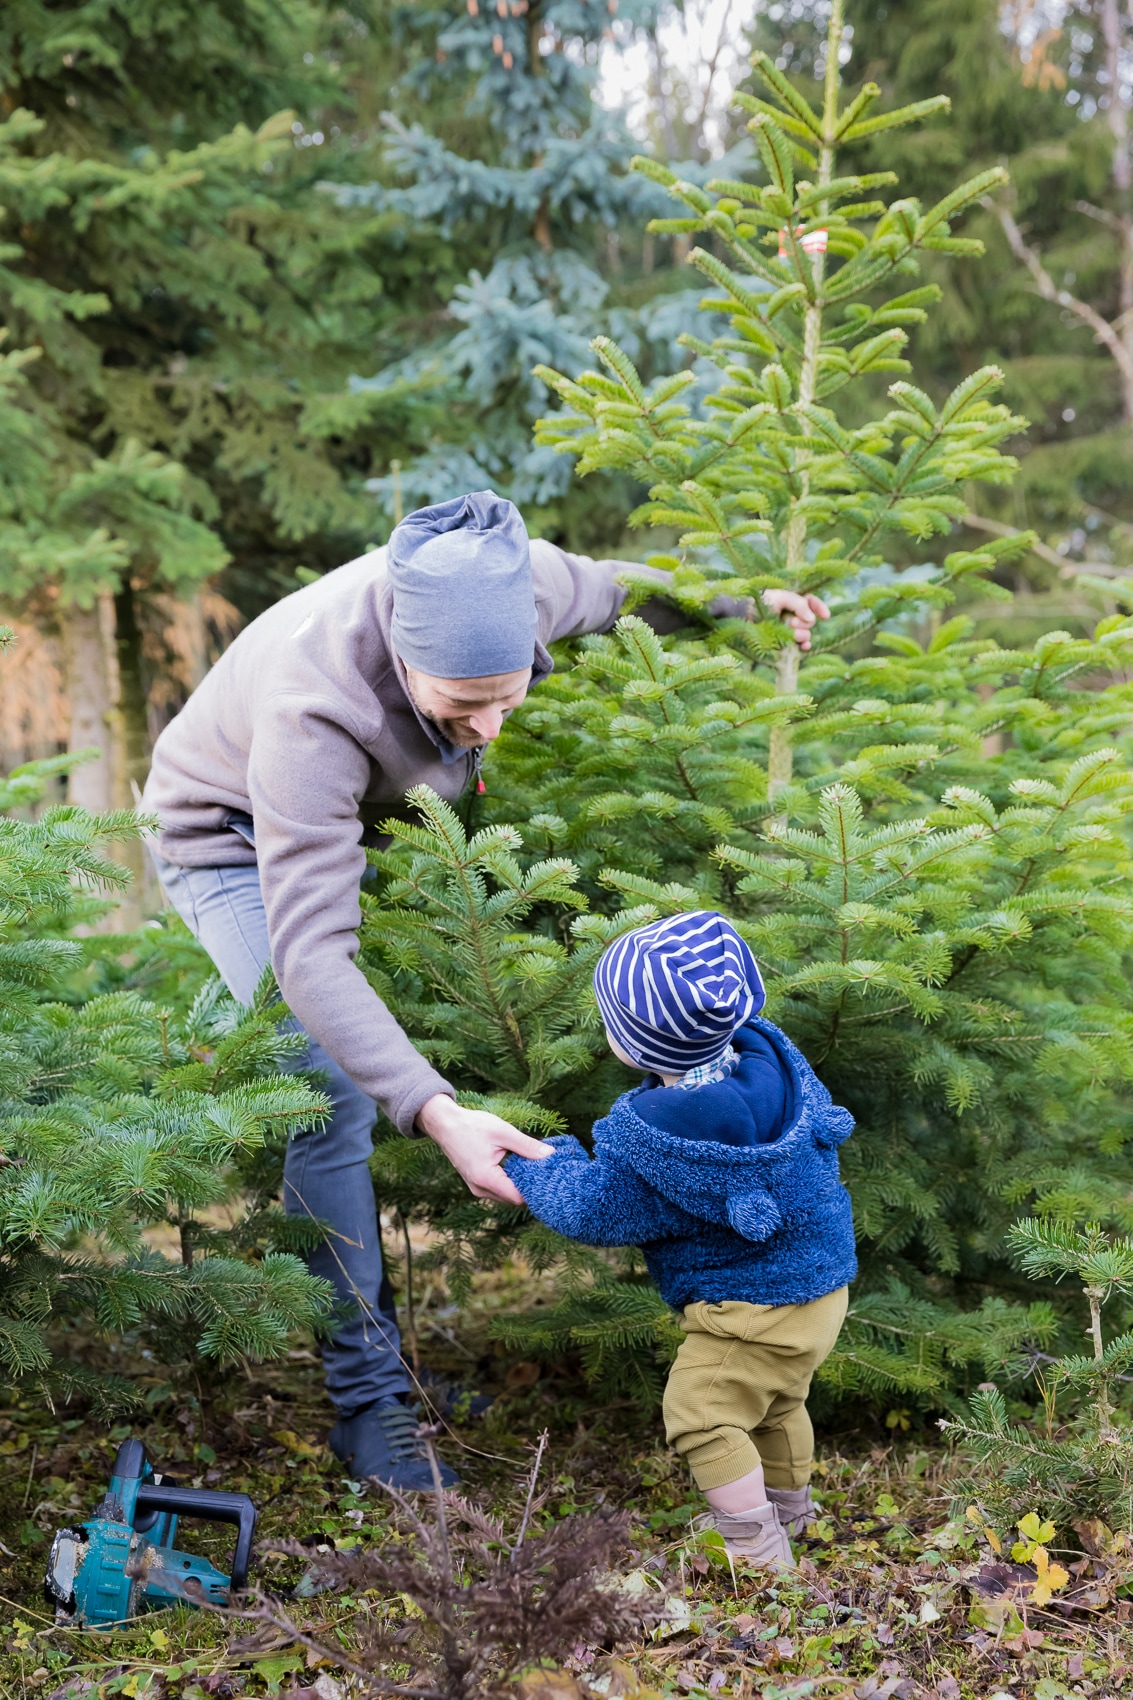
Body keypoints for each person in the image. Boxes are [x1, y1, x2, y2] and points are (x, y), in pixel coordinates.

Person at [142, 490, 829, 1490]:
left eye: (507, 697)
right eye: (462, 710)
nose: (491, 729)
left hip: (365, 824)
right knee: (323, 1076)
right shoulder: (313, 712)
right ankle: (367, 1398)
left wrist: (741, 604)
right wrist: (432, 1109)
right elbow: (312, 953)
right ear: (403, 655)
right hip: (228, 837)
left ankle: (391, 1368)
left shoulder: (520, 587)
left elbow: (620, 588)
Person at [503, 910, 856, 1567]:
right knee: (776, 1402)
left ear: (633, 1047)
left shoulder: (655, 1138)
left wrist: (533, 1162)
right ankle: (791, 1519)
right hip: (823, 1285)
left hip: (747, 1309)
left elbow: (591, 1209)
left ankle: (756, 1555)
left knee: (701, 1416)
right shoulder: (772, 1059)